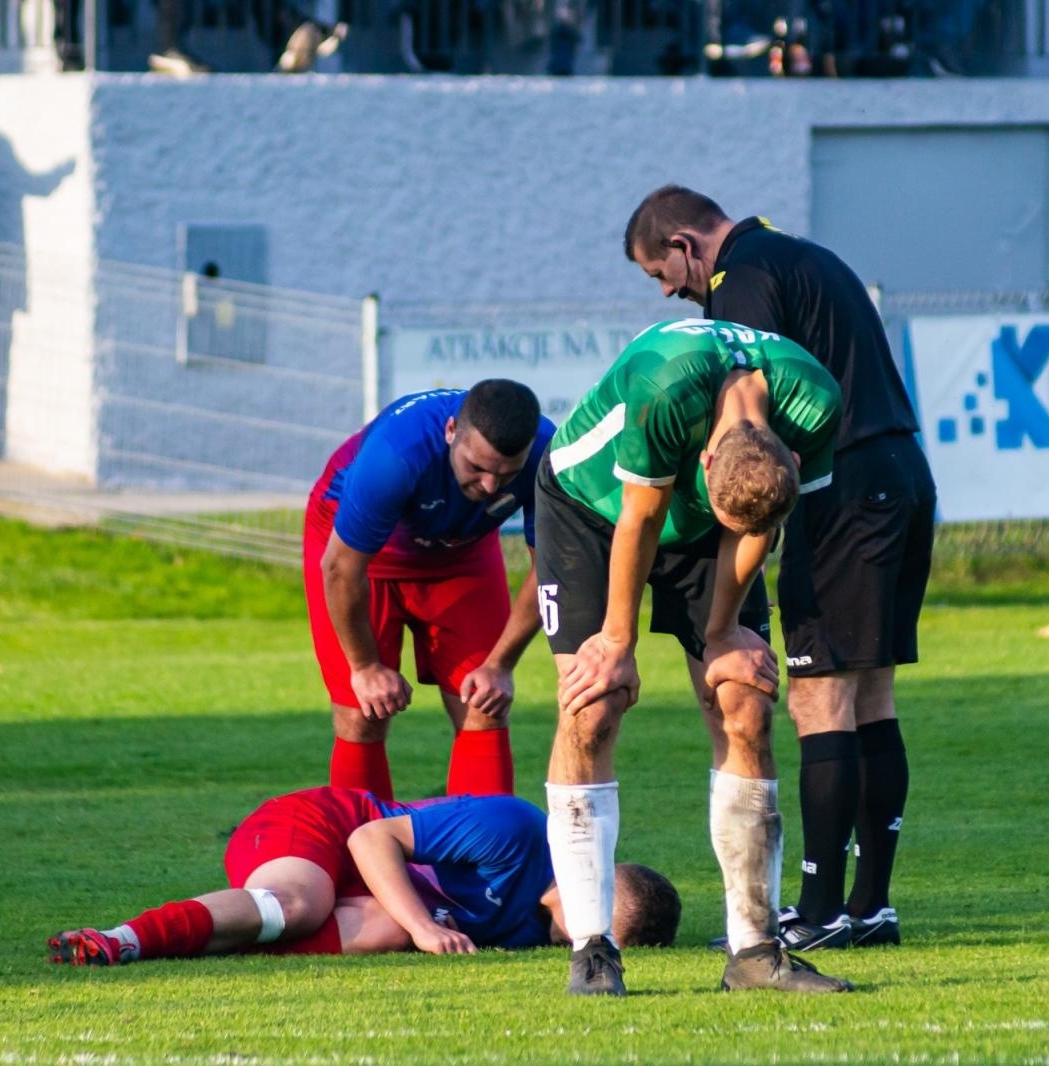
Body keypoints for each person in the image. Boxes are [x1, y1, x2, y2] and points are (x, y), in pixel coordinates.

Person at [625, 187, 935, 958]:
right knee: (871, 696)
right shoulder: (802, 254)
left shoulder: (744, 279)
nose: (667, 291)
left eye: (659, 271)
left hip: (841, 488)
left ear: (686, 244)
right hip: (901, 471)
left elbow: (749, 416)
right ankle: (869, 907)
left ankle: (822, 908)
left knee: (819, 696)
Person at [535, 317, 851, 997]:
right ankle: (592, 948)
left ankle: (755, 951)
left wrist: (721, 635)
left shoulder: (816, 403)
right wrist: (617, 643)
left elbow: (761, 523)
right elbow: (640, 518)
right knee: (593, 708)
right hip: (590, 508)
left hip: (712, 524)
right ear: (703, 465)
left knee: (744, 705)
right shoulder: (665, 386)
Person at [48, 786, 681, 964]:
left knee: (388, 929)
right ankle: (125, 938)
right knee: (301, 903)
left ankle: (204, 935)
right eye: (593, 926)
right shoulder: (517, 829)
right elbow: (369, 837)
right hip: (323, 826)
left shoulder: (533, 930)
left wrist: (416, 925)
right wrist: (426, 927)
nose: (585, 942)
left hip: (360, 885)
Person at [308, 381, 553, 801]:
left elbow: (549, 570)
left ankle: (483, 862)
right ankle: (360, 860)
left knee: (484, 703)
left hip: (462, 552)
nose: (491, 487)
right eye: (477, 468)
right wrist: (365, 667)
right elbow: (340, 567)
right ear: (451, 430)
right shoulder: (394, 457)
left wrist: (500, 664)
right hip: (365, 555)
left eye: (506, 474)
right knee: (360, 712)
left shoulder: (547, 454)